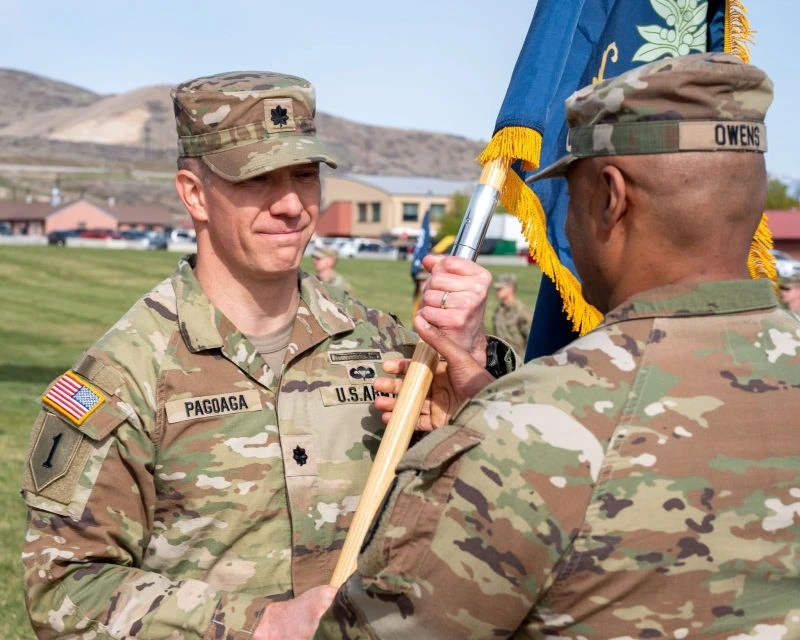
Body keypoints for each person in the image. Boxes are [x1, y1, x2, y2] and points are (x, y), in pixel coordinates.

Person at [315, 53, 800, 638]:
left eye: (568, 196)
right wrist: (489, 404)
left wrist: (506, 426)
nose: (563, 229)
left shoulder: (531, 428)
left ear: (611, 197)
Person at [19, 71, 510, 640]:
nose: (291, 205)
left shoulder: (388, 347)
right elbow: (64, 589)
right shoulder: (126, 373)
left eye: (304, 176)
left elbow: (490, 516)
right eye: (257, 179)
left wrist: (472, 384)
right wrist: (260, 624)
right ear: (194, 193)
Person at [491, 273, 532, 356]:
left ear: (510, 288)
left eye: (500, 288)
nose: (497, 291)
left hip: (519, 361)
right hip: (503, 359)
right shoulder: (499, 310)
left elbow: (531, 339)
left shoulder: (522, 310)